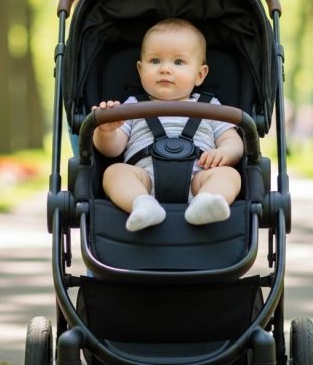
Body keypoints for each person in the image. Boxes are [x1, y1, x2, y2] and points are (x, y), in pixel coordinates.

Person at [92, 19, 243, 232]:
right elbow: (112, 150)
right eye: (155, 61)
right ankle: (141, 204)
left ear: (200, 74)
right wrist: (106, 130)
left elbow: (232, 139)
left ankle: (207, 202)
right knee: (114, 172)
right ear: (140, 69)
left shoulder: (210, 106)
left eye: (178, 62)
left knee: (230, 175)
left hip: (199, 178)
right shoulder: (131, 107)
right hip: (144, 181)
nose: (165, 69)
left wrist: (225, 152)